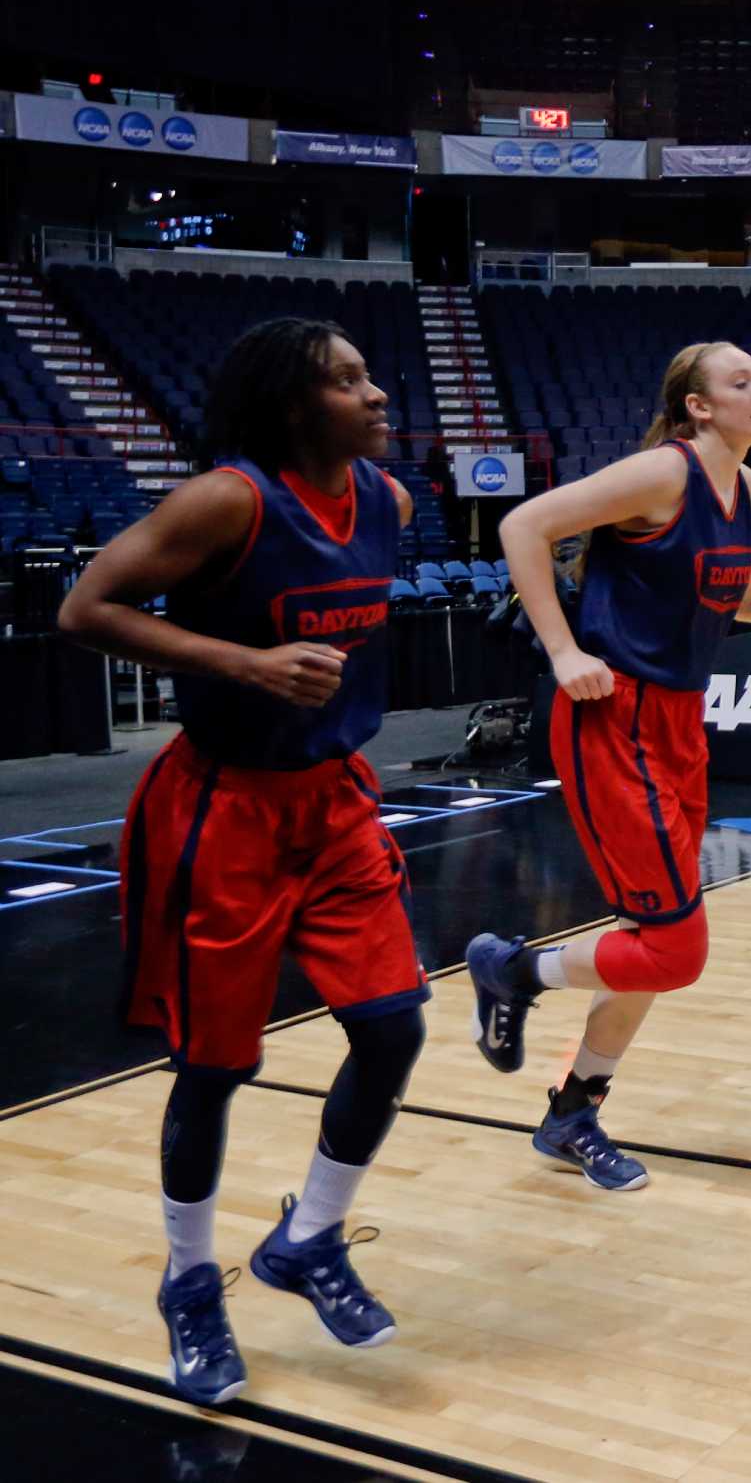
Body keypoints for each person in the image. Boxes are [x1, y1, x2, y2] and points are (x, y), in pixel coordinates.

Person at [57, 318, 426, 1406]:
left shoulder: (389, 503)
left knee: (393, 1023)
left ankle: (308, 1237)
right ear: (291, 402)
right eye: (347, 381)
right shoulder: (226, 500)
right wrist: (242, 661)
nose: (375, 395)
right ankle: (187, 1281)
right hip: (221, 809)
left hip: (336, 803)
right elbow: (84, 606)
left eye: (370, 374)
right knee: (212, 1067)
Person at [466, 342, 751, 1187]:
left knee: (647, 938)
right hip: (611, 719)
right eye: (741, 383)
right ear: (698, 406)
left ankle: (573, 1113)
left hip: (678, 724)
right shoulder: (663, 475)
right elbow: (524, 525)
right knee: (676, 951)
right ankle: (511, 968)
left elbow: (746, 600)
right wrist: (560, 650)